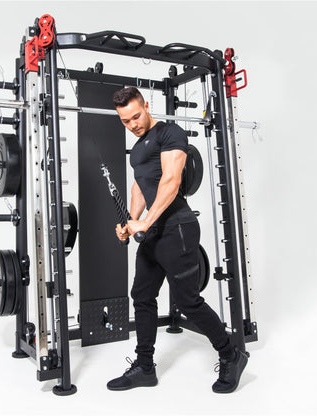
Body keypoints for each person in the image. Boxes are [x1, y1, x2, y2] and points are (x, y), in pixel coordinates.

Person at [106, 87, 248, 393]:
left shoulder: (170, 133)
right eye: (125, 121)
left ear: (147, 105)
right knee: (142, 296)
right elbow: (139, 187)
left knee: (187, 301)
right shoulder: (139, 147)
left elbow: (171, 181)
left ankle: (231, 354)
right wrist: (129, 222)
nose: (132, 124)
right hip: (153, 231)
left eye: (136, 116)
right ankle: (145, 367)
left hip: (177, 227)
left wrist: (145, 222)